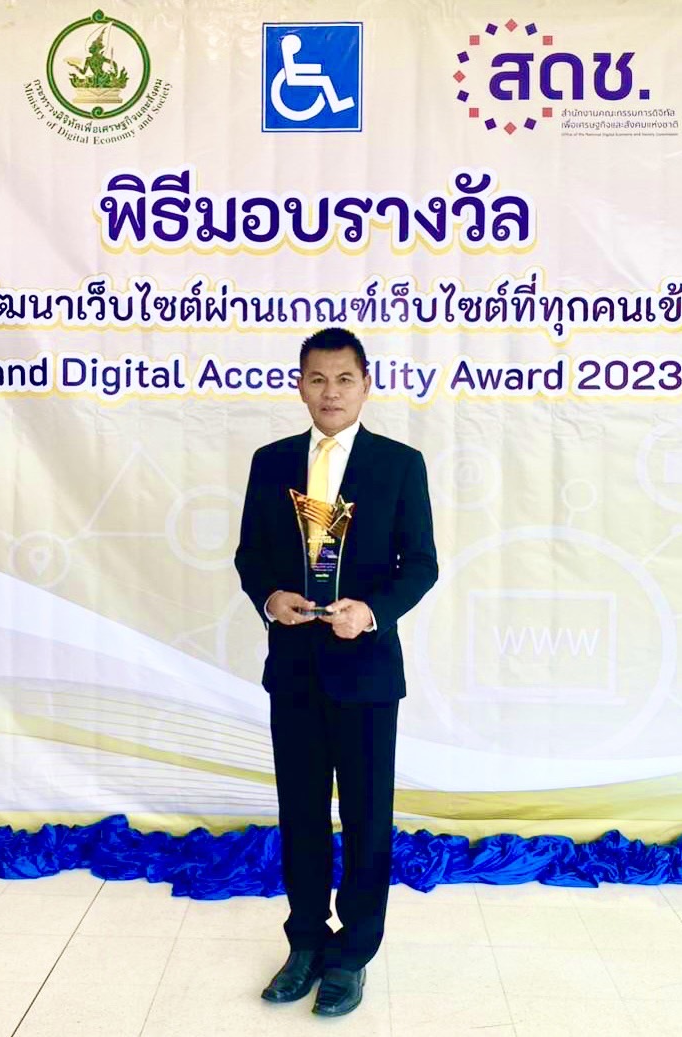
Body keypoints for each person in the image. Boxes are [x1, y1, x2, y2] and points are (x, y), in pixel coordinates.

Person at [234, 327, 438, 1017]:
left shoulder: (399, 464)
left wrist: (371, 611)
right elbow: (250, 556)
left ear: (365, 385)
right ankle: (306, 943)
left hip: (367, 672)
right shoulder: (271, 463)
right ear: (300, 385)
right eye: (317, 379)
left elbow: (422, 565)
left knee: (367, 816)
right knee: (300, 814)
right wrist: (270, 598)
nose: (331, 392)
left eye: (344, 378)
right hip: (294, 669)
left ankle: (352, 955)